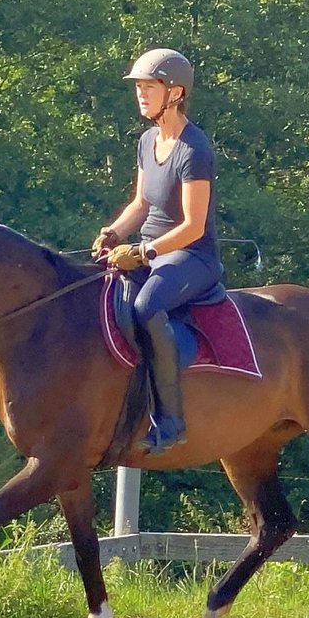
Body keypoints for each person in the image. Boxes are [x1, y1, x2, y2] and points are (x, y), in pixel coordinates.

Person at [92, 48, 223, 455]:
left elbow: (193, 226)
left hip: (192, 257)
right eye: (139, 88)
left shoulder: (194, 150)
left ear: (176, 92)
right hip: (147, 248)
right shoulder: (148, 140)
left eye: (150, 87)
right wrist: (113, 233)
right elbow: (141, 204)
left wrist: (143, 252)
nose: (142, 94)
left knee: (147, 307)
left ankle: (170, 420)